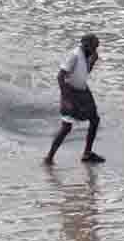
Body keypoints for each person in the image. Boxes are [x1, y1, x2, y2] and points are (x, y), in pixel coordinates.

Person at [43, 34, 103, 165]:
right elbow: (60, 76)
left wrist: (93, 61)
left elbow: (84, 73)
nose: (96, 50)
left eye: (97, 47)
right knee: (66, 127)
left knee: (94, 119)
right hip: (71, 92)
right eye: (94, 47)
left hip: (83, 91)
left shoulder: (86, 56)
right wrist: (66, 99)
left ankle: (87, 153)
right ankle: (49, 157)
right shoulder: (74, 55)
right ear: (86, 45)